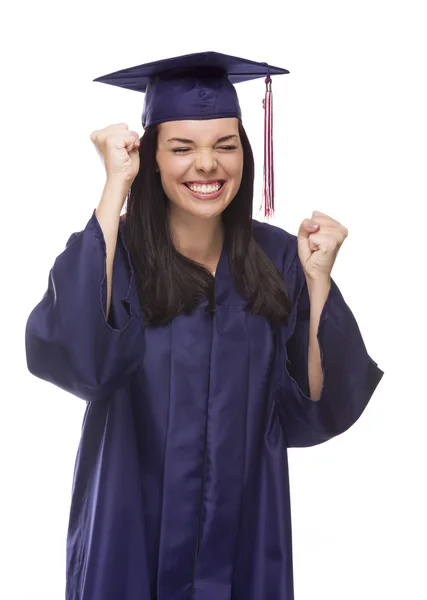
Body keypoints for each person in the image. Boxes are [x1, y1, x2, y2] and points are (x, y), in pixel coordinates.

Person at [25, 52, 384, 600]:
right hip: (129, 533)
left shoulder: (280, 258)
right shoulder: (116, 254)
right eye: (181, 148)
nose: (207, 165)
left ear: (246, 151)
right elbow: (82, 366)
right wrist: (114, 188)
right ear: (150, 157)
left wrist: (316, 282)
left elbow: (312, 410)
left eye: (225, 145)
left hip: (244, 536)